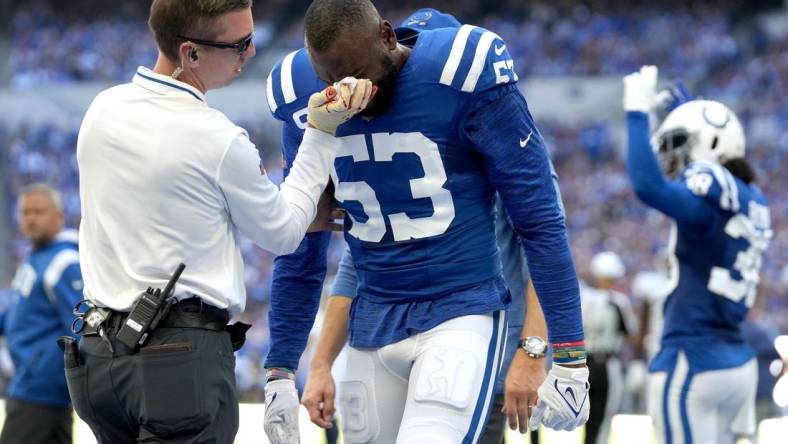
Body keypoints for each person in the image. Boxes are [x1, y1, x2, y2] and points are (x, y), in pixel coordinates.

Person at [263, 1, 590, 442]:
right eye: (330, 80)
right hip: (373, 317)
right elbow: (301, 245)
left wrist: (568, 354)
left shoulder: (460, 78)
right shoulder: (306, 99)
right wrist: (281, 369)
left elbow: (539, 222)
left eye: (357, 73)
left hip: (461, 310)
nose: (346, 92)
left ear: (385, 36)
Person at [70, 0, 373, 442]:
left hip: (96, 358)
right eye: (240, 44)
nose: (250, 54)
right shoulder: (217, 138)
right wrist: (321, 129)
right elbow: (285, 233)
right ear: (191, 53)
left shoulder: (103, 108)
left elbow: (173, 204)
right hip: (175, 360)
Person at [624, 66, 773, 444]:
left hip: (693, 358)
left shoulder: (709, 197)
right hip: (736, 362)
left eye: (683, 145)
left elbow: (648, 186)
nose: (677, 158)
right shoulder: (750, 198)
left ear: (710, 146)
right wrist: (694, 115)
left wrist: (636, 113)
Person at [0, 184, 83, 444]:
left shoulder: (64, 262)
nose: (30, 219)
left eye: (38, 211)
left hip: (40, 392)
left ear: (58, 216)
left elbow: (79, 327)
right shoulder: (35, 259)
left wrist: (51, 374)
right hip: (30, 385)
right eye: (25, 213)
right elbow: (19, 314)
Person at [580, 251, 638, 444]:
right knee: (602, 419)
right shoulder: (618, 301)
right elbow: (631, 335)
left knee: (578, 415)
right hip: (605, 363)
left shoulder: (581, 296)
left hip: (581, 362)